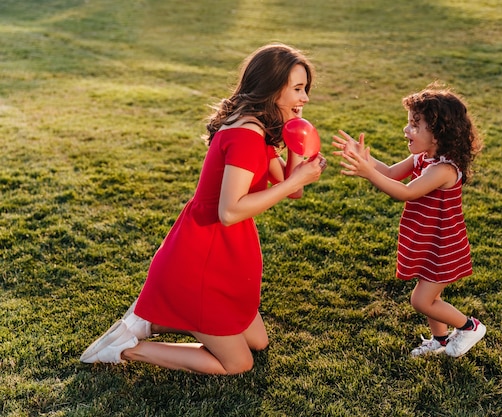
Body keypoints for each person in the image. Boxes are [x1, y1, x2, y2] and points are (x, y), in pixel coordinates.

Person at [80, 43, 327, 374]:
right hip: (205, 255)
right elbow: (230, 210)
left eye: (305, 89)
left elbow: (290, 187)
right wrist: (294, 181)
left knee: (258, 341)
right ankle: (129, 349)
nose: (305, 98)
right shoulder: (246, 135)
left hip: (226, 250)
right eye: (298, 89)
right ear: (271, 86)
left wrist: (298, 142)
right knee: (239, 362)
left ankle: (149, 320)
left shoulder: (259, 126)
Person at [332, 82, 485, 357]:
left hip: (443, 247)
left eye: (415, 124)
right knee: (431, 297)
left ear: (438, 133)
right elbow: (391, 173)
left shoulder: (445, 170)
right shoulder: (422, 158)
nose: (406, 130)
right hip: (428, 240)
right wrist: (364, 158)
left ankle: (469, 326)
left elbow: (405, 192)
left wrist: (368, 172)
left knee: (421, 300)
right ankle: (439, 342)